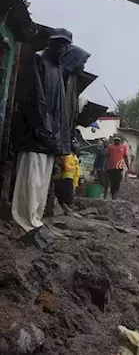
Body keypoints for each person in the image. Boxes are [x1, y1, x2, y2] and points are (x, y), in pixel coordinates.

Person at [11, 28, 73, 247]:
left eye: (66, 45)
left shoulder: (58, 70)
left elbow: (60, 110)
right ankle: (24, 227)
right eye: (60, 43)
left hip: (49, 139)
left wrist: (58, 141)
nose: (63, 48)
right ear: (51, 43)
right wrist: (45, 132)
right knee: (30, 182)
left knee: (40, 184)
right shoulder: (37, 61)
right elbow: (35, 101)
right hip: (35, 135)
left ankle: (34, 224)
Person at [54, 144, 80, 213]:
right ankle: (66, 206)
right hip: (67, 175)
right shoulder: (68, 156)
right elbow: (66, 166)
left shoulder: (75, 156)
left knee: (71, 192)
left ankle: (68, 205)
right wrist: (74, 168)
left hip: (74, 177)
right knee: (67, 193)